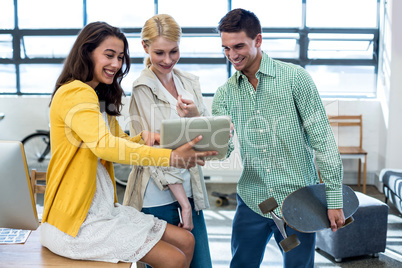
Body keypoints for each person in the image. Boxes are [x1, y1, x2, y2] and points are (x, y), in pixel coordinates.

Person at [40, 21, 217, 268]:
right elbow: (104, 146)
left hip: (102, 211)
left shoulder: (98, 95)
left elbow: (117, 141)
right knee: (175, 258)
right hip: (77, 223)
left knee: (187, 241)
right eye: (109, 55)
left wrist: (149, 137)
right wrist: (170, 157)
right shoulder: (75, 92)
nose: (116, 64)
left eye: (120, 57)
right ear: (86, 52)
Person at [212, 9, 345, 268]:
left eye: (239, 46)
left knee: (298, 265)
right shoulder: (225, 93)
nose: (232, 55)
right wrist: (204, 128)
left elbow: (323, 141)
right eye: (225, 48)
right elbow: (223, 151)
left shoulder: (296, 79)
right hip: (254, 199)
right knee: (242, 264)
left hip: (298, 200)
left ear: (258, 40)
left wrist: (334, 199)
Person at [123, 14, 213, 268]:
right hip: (159, 197)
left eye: (173, 51)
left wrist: (196, 116)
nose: (167, 60)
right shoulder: (143, 88)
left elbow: (206, 137)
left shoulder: (188, 82)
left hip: (191, 191)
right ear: (145, 48)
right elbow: (151, 151)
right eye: (159, 52)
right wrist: (183, 204)